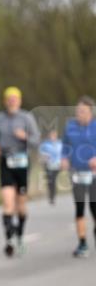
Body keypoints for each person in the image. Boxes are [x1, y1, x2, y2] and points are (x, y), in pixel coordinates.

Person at [0, 87, 40, 257]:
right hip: (6, 161)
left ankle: (19, 235)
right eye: (9, 99)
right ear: (5, 101)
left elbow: (36, 140)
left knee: (21, 205)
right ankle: (9, 239)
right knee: (7, 202)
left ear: (19, 101)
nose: (12, 101)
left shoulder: (27, 117)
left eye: (15, 99)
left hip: (22, 163)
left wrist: (24, 136)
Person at [61, 96, 96, 258]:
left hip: (94, 174)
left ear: (91, 112)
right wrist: (64, 158)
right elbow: (65, 146)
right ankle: (82, 243)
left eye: (82, 111)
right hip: (77, 173)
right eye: (77, 111)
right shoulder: (70, 127)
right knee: (80, 208)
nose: (79, 113)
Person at [39, 129, 64, 206]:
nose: (53, 137)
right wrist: (44, 158)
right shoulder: (45, 144)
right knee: (50, 181)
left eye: (54, 135)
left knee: (54, 180)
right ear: (49, 136)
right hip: (48, 165)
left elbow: (63, 154)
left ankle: (53, 196)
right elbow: (41, 153)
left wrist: (63, 162)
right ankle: (51, 196)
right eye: (51, 135)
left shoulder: (60, 143)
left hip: (57, 165)